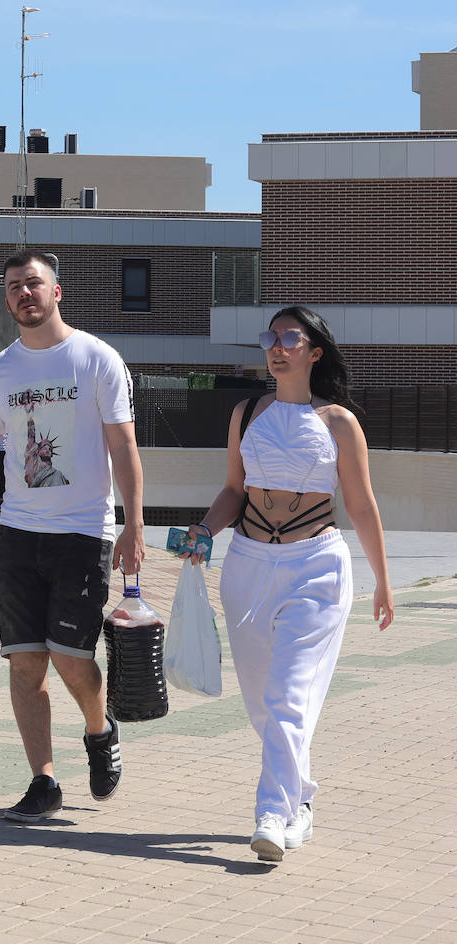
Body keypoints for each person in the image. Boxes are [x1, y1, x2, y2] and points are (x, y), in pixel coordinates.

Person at [0, 249, 145, 823]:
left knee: (73, 661)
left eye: (34, 284)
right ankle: (43, 782)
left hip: (82, 533)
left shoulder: (96, 359)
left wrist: (133, 525)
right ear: (7, 301)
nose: (24, 293)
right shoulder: (1, 370)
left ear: (56, 292)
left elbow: (123, 445)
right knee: (25, 664)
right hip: (19, 535)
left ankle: (100, 731)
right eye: (14, 288)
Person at [178, 305, 393, 862]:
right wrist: (204, 528)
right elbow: (233, 490)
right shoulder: (246, 413)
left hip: (316, 567)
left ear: (313, 352)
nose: (275, 346)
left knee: (287, 695)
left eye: (288, 338)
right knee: (260, 703)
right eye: (269, 337)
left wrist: (383, 581)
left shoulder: (339, 422)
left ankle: (271, 813)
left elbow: (362, 506)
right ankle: (299, 800)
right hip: (247, 565)